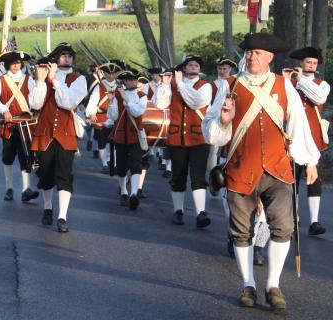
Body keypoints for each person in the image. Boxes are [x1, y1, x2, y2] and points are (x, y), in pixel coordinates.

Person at [203, 33, 320, 310]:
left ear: (269, 57)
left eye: (257, 53)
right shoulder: (229, 86)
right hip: (240, 169)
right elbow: (212, 133)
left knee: (283, 229)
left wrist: (309, 160)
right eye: (249, 53)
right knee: (241, 232)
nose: (252, 56)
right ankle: (248, 284)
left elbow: (298, 124)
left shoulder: (283, 85)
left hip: (279, 170)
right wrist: (223, 120)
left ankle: (272, 285)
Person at [30, 42, 87, 233]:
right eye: (63, 55)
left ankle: (62, 216)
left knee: (64, 174)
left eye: (70, 55)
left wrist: (54, 81)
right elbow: (36, 104)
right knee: (45, 173)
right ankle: (47, 206)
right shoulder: (43, 77)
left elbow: (68, 101)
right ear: (55, 58)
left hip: (66, 132)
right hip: (45, 132)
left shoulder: (79, 79)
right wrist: (40, 80)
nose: (67, 58)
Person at [154, 55, 213, 228]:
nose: (194, 66)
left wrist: (179, 84)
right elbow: (159, 104)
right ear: (184, 68)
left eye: (196, 64)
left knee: (198, 176)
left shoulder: (205, 86)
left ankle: (201, 212)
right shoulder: (172, 85)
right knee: (178, 176)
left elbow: (196, 102)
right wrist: (165, 83)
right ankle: (178, 210)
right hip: (176, 138)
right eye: (190, 64)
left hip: (198, 138)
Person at [286, 46, 331, 236]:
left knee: (315, 182)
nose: (311, 65)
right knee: (293, 180)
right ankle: (294, 218)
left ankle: (314, 221)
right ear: (301, 63)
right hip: (294, 138)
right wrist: (290, 81)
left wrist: (301, 80)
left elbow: (318, 97)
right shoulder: (291, 83)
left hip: (314, 140)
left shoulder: (322, 84)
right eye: (308, 62)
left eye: (314, 63)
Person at [0, 50, 41, 203]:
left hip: (26, 124)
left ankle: (26, 189)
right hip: (10, 124)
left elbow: (35, 98)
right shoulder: (1, 80)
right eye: (13, 63)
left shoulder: (29, 79)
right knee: (8, 156)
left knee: (26, 157)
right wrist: (4, 110)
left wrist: (36, 111)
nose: (16, 66)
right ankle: (9, 188)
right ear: (8, 65)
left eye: (18, 63)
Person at [103, 68, 147, 209]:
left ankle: (134, 194)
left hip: (135, 135)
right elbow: (114, 116)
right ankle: (123, 191)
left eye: (135, 79)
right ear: (125, 81)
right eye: (130, 79)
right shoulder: (116, 95)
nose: (134, 81)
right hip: (120, 135)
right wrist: (111, 102)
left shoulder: (142, 95)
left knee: (135, 164)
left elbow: (137, 112)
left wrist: (126, 99)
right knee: (121, 167)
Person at [86, 62, 122, 174]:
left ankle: (114, 163)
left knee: (116, 142)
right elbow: (93, 101)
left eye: (113, 74)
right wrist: (92, 113)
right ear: (104, 74)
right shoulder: (99, 87)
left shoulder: (120, 87)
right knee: (102, 142)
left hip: (117, 119)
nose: (111, 76)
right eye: (108, 74)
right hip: (102, 117)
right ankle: (105, 164)